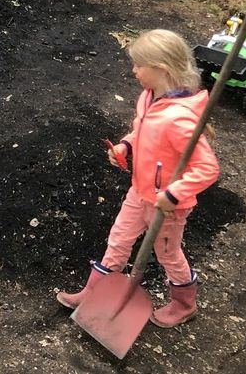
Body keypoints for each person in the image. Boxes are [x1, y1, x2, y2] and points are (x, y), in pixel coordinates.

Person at [56, 29, 219, 328]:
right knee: (118, 239)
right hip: (139, 190)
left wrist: (172, 194)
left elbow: (207, 169)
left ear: (162, 70)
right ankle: (94, 292)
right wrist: (126, 145)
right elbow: (142, 131)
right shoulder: (149, 98)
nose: (133, 71)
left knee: (167, 253)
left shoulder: (180, 119)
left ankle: (184, 304)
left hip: (168, 205)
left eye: (138, 65)